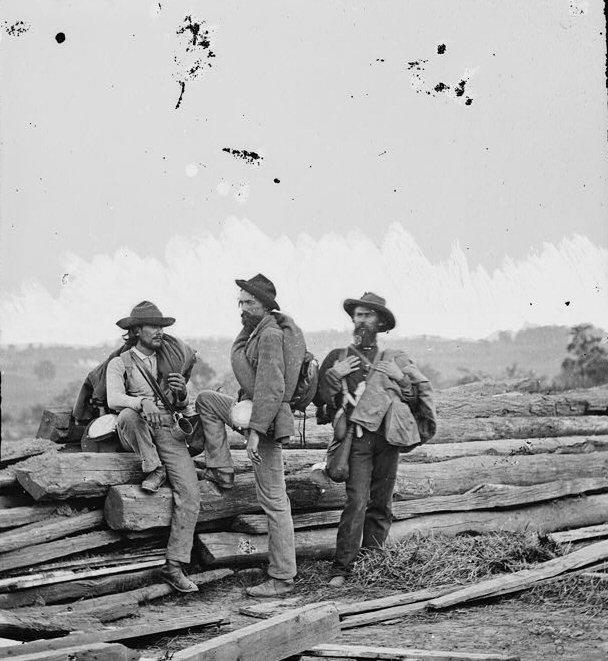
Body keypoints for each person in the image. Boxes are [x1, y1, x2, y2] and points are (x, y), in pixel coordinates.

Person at [106, 300, 232, 593]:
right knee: (127, 414)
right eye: (153, 326)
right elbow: (114, 399)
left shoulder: (169, 361)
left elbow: (181, 406)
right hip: (136, 428)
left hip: (168, 431)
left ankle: (174, 566)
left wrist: (181, 396)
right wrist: (140, 402)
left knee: (190, 494)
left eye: (162, 326)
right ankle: (154, 467)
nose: (160, 331)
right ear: (136, 330)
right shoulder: (120, 363)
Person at [316, 292, 437, 587]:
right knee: (356, 501)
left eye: (368, 315)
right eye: (358, 315)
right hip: (356, 441)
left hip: (387, 439)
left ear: (380, 322)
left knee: (381, 502)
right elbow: (321, 403)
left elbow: (411, 398)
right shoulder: (338, 357)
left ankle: (373, 563)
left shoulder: (395, 358)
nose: (362, 320)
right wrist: (333, 376)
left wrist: (402, 379)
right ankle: (342, 568)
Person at [196, 273, 304, 598]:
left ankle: (283, 577)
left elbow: (272, 387)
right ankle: (222, 468)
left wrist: (255, 433)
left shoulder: (270, 335)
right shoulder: (253, 331)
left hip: (266, 422)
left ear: (265, 305)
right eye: (240, 302)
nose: (242, 308)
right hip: (251, 410)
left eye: (249, 302)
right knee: (206, 400)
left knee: (274, 500)